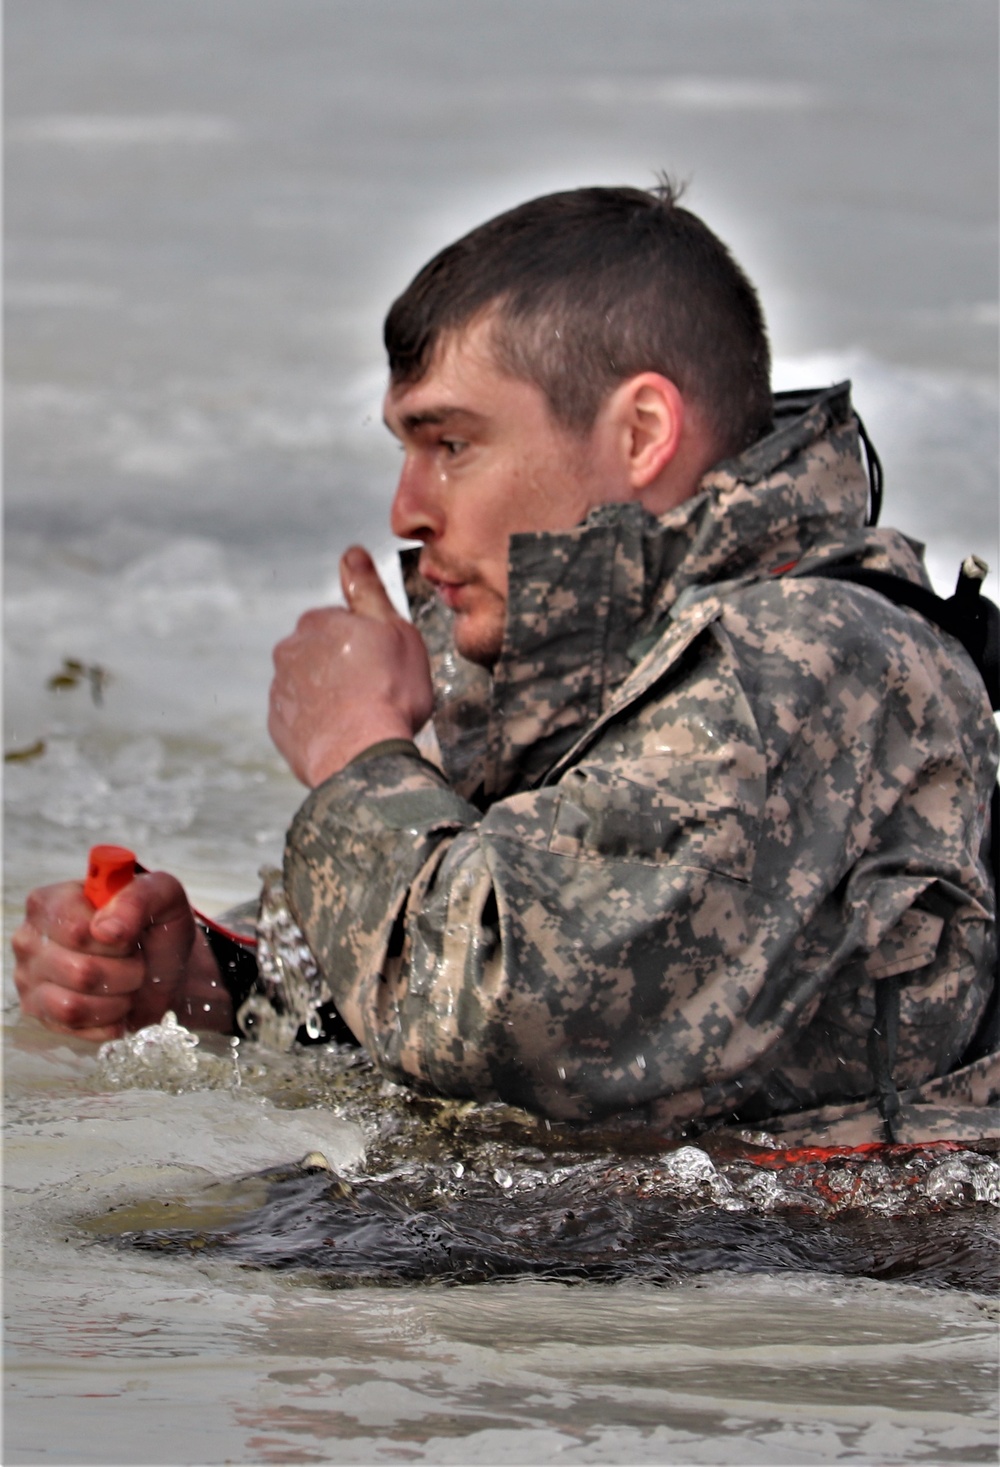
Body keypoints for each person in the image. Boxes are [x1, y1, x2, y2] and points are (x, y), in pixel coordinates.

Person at [13, 183, 998, 1144]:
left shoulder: (799, 663)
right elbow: (499, 932)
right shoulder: (619, 662)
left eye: (452, 442)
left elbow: (507, 1015)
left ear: (642, 433)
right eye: (407, 446)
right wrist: (205, 977)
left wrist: (357, 755)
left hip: (819, 1283)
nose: (408, 508)